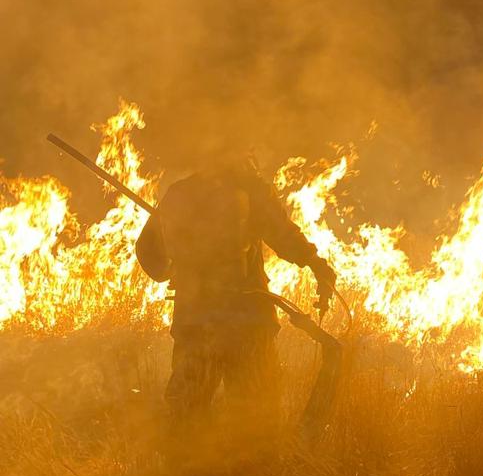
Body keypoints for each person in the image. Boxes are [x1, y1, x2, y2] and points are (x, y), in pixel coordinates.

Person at [135, 156, 336, 442]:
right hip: (248, 321)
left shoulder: (180, 194)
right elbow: (283, 235)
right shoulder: (251, 189)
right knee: (255, 417)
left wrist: (174, 269)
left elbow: (148, 251)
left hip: (197, 321)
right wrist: (317, 265)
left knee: (187, 415)